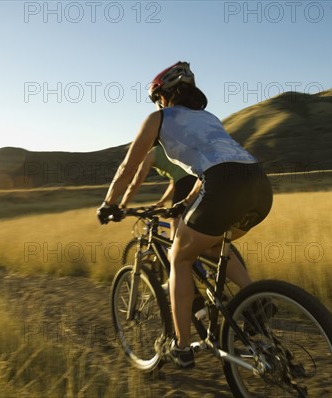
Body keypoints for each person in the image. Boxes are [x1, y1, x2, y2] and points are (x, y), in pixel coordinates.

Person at [97, 61, 272, 369]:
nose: (158, 103)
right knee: (216, 244)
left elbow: (128, 167)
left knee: (179, 257)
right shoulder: (209, 118)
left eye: (157, 98)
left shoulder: (158, 118)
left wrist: (110, 203)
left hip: (224, 185)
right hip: (259, 184)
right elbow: (215, 163)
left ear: (164, 95)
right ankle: (255, 304)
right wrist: (185, 202)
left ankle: (181, 347)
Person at [119, 144, 197, 236]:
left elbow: (138, 180)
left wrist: (123, 205)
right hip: (196, 181)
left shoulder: (150, 154)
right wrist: (161, 201)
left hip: (187, 182)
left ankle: (174, 249)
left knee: (175, 219)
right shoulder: (164, 151)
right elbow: (173, 183)